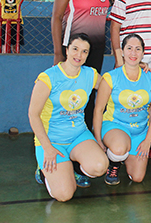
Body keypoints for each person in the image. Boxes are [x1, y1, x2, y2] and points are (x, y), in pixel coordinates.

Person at [28, 33, 108, 202]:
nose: (79, 55)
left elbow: (113, 87)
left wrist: (136, 67)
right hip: (52, 139)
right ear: (67, 49)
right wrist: (47, 148)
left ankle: (72, 166)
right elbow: (33, 115)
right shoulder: (48, 78)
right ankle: (44, 171)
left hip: (78, 135)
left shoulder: (90, 75)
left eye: (84, 52)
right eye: (75, 49)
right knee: (64, 195)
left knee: (100, 166)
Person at [51, 0, 109, 129]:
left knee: (90, 93)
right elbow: (57, 16)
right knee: (71, 94)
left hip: (96, 48)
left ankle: (86, 138)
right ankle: (65, 137)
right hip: (75, 48)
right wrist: (59, 52)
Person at [93, 34, 151, 185]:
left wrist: (148, 140)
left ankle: (124, 155)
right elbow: (98, 110)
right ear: (122, 51)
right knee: (119, 148)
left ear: (143, 53)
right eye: (129, 48)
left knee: (137, 177)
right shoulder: (110, 78)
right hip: (115, 126)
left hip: (140, 131)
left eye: (138, 49)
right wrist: (98, 140)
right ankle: (114, 163)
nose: (133, 53)